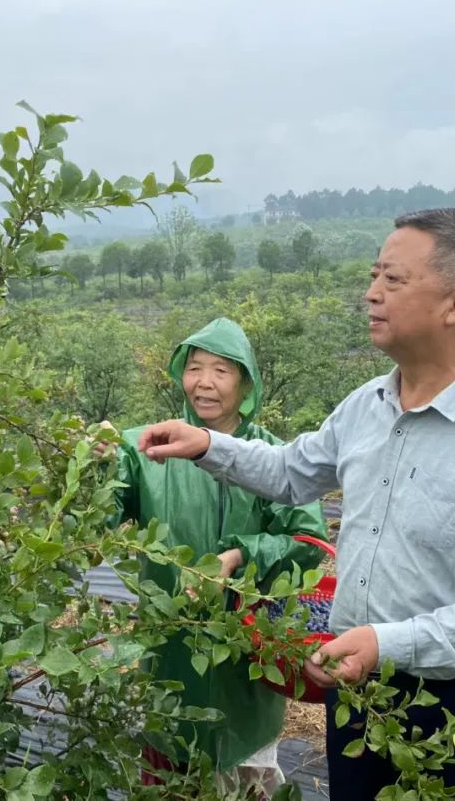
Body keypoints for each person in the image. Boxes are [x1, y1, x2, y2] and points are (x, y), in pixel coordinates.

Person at [135, 209, 455, 800]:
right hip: (356, 692)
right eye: (374, 276)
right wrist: (209, 446)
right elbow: (294, 472)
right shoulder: (367, 404)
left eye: (392, 280)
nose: (370, 294)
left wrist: (385, 643)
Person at [111, 317, 329, 795]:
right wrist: (87, 461)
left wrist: (241, 556)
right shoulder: (144, 449)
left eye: (221, 371)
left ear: (246, 382)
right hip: (169, 647)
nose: (203, 382)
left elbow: (307, 541)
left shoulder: (273, 454)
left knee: (244, 772)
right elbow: (99, 510)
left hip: (249, 649)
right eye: (193, 367)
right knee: (169, 764)